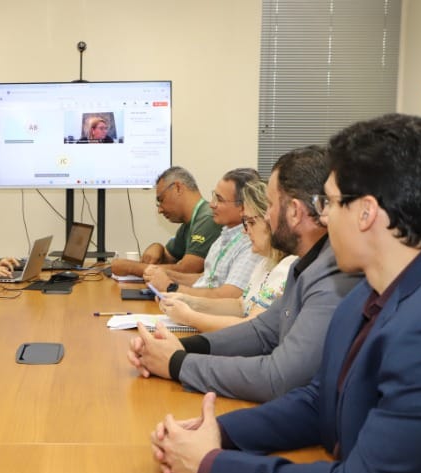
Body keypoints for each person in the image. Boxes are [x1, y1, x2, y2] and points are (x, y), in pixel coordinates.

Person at [149, 114, 421, 473]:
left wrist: (210, 466)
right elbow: (321, 401)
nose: (323, 216)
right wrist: (216, 431)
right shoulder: (371, 291)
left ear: (366, 213)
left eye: (330, 202)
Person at [128, 146, 361, 401]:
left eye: (270, 205)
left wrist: (177, 363)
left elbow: (277, 378)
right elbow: (262, 332)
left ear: (294, 211)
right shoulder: (304, 266)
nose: (267, 216)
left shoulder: (333, 275)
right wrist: (178, 347)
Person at [158, 179, 297, 333]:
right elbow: (240, 306)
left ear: (272, 221)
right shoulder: (265, 263)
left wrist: (189, 317)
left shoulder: (287, 268)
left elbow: (252, 329)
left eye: (250, 223)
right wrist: (187, 301)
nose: (245, 231)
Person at [143, 168, 260, 299]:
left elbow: (229, 296)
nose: (212, 204)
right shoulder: (224, 235)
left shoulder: (251, 243)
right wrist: (165, 274)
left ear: (243, 206)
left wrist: (171, 288)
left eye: (220, 200)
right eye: (214, 197)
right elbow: (206, 280)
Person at [111, 166, 221, 277]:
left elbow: (187, 270)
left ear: (178, 188)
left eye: (161, 200)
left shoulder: (207, 218)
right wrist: (158, 247)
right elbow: (167, 259)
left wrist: (131, 267)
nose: (160, 210)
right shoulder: (189, 224)